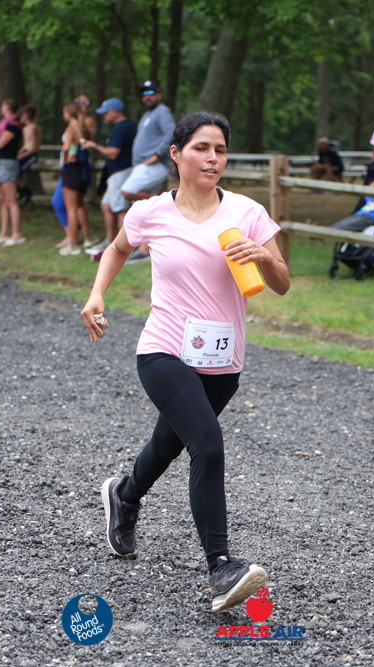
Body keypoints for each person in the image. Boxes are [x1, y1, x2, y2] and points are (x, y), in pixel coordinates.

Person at [80, 111, 290, 612]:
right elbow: (117, 249)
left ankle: (125, 495)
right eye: (201, 148)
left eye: (220, 150)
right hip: (164, 349)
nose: (212, 158)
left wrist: (263, 256)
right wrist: (97, 294)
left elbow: (282, 283)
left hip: (223, 359)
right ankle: (221, 567)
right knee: (207, 445)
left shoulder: (248, 212)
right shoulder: (150, 212)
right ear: (176, 154)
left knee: (168, 442)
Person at [113, 81, 177, 263]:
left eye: (151, 93)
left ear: (159, 95)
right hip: (143, 166)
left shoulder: (162, 111)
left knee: (128, 191)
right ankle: (145, 250)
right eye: (144, 94)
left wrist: (157, 154)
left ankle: (170, 207)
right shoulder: (148, 114)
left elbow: (171, 132)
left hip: (154, 165)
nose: (147, 97)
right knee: (146, 210)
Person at [81, 97, 137, 254]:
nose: (103, 116)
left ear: (115, 112)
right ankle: (110, 240)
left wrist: (94, 146)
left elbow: (113, 153)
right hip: (118, 172)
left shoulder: (121, 129)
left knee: (120, 209)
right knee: (106, 205)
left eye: (105, 113)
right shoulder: (129, 126)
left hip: (120, 172)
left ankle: (124, 247)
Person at [0, 99, 25, 247]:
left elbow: (0, 143)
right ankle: (3, 232)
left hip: (8, 163)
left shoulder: (13, 126)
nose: (1, 107)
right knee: (1, 199)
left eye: (3, 105)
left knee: (11, 200)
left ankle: (16, 234)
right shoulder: (2, 124)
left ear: (9, 107)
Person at [57, 102, 92, 256]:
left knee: (70, 208)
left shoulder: (70, 128)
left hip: (71, 170)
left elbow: (66, 147)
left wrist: (65, 159)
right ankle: (87, 237)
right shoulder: (83, 127)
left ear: (68, 113)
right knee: (79, 205)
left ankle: (72, 242)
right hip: (83, 169)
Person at [15, 105, 42, 205]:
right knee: (13, 169)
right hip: (25, 152)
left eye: (21, 115)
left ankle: (26, 192)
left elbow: (34, 147)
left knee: (17, 170)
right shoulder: (25, 128)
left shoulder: (34, 128)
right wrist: (19, 153)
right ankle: (21, 191)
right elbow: (25, 144)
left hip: (31, 154)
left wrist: (23, 155)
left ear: (26, 116)